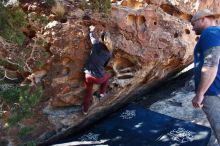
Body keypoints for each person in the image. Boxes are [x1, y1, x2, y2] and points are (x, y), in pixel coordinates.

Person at [191, 9, 220, 144]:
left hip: (212, 92)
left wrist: (200, 93)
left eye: (193, 23)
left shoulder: (209, 33)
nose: (192, 28)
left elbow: (211, 63)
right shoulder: (217, 32)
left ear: (203, 19)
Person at [82, 25, 113, 115]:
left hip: (87, 75)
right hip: (98, 78)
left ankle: (85, 111)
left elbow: (92, 37)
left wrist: (91, 30)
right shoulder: (109, 53)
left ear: (101, 38)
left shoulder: (96, 45)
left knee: (88, 93)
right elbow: (105, 65)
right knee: (107, 76)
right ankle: (102, 93)